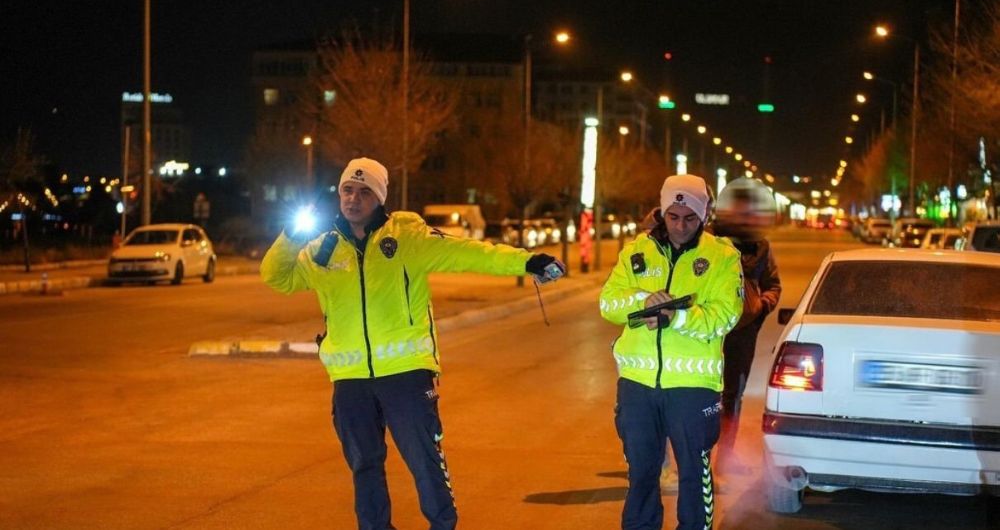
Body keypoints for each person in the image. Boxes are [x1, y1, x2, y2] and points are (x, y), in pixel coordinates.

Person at [260, 157, 564, 530]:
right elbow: (276, 277)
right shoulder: (323, 252)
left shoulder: (407, 238)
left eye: (364, 192)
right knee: (364, 467)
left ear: (380, 198)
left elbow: (470, 252)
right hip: (350, 380)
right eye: (347, 191)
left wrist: (527, 262)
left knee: (425, 463)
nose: (354, 199)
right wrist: (292, 235)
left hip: (406, 377)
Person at [600, 174, 742, 530]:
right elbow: (608, 303)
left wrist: (676, 318)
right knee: (642, 474)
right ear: (662, 212)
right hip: (637, 386)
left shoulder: (722, 258)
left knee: (694, 475)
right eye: (673, 216)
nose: (680, 226)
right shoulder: (636, 251)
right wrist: (642, 300)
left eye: (690, 218)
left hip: (693, 388)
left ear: (704, 215)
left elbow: (725, 317)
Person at [711, 180, 782, 475]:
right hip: (708, 332)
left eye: (749, 211)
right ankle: (697, 455)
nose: (744, 216)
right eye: (739, 210)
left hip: (743, 334)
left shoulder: (762, 248)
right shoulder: (709, 243)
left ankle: (726, 456)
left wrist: (761, 305)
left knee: (732, 395)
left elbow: (773, 285)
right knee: (701, 394)